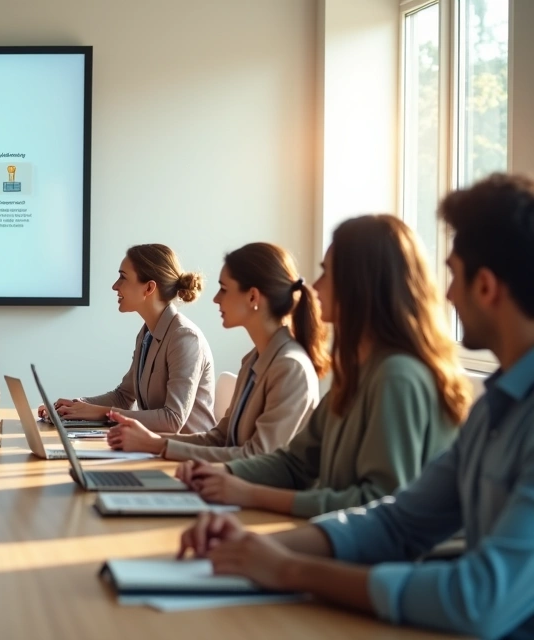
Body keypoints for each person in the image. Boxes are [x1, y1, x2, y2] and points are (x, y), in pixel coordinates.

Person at [177, 173, 534, 639]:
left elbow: (478, 599)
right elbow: (397, 518)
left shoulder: (402, 378)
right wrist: (258, 548)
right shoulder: (498, 407)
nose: (446, 294)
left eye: (455, 275)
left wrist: (291, 569)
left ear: (486, 287)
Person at [177, 215, 471, 517]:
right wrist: (222, 474)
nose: (315, 285)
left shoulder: (397, 377)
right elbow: (295, 463)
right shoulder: (356, 372)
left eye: (326, 273)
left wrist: (249, 493)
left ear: (360, 284)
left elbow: (376, 504)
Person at [107, 243, 328, 461]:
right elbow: (220, 437)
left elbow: (257, 457)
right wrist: (156, 444)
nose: (215, 299)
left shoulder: (290, 367)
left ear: (252, 297)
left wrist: (156, 445)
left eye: (223, 289)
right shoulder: (254, 359)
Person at [39, 243, 216, 433]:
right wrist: (75, 407)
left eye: (122, 277)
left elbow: (172, 420)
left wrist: (100, 412)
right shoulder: (147, 333)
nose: (115, 285)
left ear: (148, 288)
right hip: (155, 448)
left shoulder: (185, 337)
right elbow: (124, 396)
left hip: (188, 457)